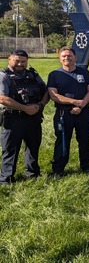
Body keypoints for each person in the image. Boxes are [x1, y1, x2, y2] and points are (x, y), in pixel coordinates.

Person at [0, 50, 48, 185]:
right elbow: (3, 98)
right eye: (17, 61)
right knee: (10, 149)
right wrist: (26, 108)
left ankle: (33, 174)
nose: (20, 64)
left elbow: (46, 91)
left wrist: (40, 106)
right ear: (9, 59)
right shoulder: (3, 75)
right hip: (13, 118)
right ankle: (6, 178)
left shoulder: (33, 75)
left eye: (23, 61)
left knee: (33, 147)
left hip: (33, 118)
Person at [48, 47, 89, 176]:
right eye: (63, 56)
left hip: (83, 111)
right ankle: (59, 168)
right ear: (60, 58)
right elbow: (54, 95)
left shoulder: (84, 72)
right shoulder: (54, 74)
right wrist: (73, 102)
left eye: (69, 56)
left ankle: (87, 166)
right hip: (63, 113)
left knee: (84, 139)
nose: (66, 58)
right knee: (62, 140)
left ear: (75, 57)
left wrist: (81, 106)